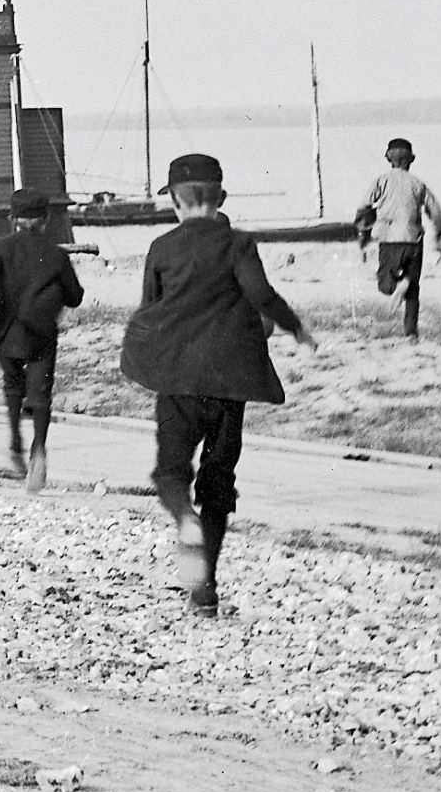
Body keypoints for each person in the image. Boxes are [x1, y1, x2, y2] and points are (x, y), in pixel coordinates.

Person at [118, 152, 315, 618]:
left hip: (178, 383)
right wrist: (296, 328)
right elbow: (261, 295)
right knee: (218, 484)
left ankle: (182, 519)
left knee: (170, 473)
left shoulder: (162, 248)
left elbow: (151, 309)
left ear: (172, 201)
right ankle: (205, 590)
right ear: (222, 198)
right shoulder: (240, 244)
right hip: (229, 385)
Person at [0, 187, 83, 494]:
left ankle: (15, 442)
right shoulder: (56, 254)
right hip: (41, 333)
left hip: (7, 333)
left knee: (12, 385)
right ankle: (39, 450)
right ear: (46, 219)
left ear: (12, 218)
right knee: (40, 394)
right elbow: (75, 297)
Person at [353, 138, 441, 338]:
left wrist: (363, 233)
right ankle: (411, 333)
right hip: (414, 240)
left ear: (388, 158)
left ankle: (399, 284)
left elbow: (363, 208)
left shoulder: (381, 181)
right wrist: (438, 239)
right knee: (413, 289)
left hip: (389, 240)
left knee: (385, 285)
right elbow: (438, 215)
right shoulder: (418, 184)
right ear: (411, 160)